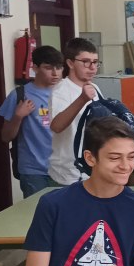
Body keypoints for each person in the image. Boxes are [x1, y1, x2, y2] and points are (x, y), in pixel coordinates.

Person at [24, 116, 134, 266]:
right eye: (114, 158)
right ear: (90, 158)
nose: (125, 166)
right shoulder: (52, 205)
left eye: (131, 157)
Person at [0, 45, 64, 197]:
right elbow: (6, 137)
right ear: (35, 68)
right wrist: (18, 116)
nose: (55, 73)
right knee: (37, 210)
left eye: (59, 67)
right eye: (48, 68)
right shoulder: (20, 95)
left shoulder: (66, 93)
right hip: (34, 171)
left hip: (64, 168)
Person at [48, 37, 103, 186]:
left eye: (95, 62)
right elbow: (56, 126)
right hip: (69, 174)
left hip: (92, 169)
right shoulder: (61, 90)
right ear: (70, 63)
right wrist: (82, 99)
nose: (92, 67)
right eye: (86, 62)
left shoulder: (94, 87)